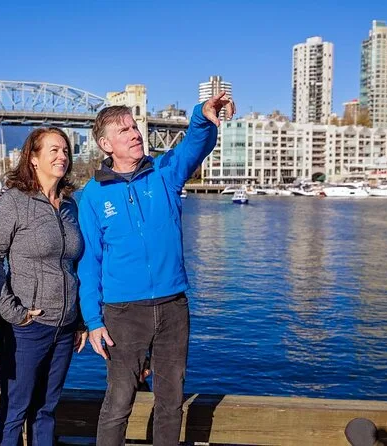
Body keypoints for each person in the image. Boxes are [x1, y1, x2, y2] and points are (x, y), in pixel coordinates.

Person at [78, 92, 235, 446]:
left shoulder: (164, 173)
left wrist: (201, 115)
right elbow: (89, 263)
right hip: (122, 313)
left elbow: (195, 146)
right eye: (124, 130)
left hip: (172, 306)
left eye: (134, 127)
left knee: (171, 401)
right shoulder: (93, 195)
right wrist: (93, 320)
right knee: (119, 402)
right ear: (106, 144)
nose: (135, 133)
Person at [0, 127, 88, 446]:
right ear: (33, 158)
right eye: (53, 150)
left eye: (65, 151)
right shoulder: (14, 202)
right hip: (26, 328)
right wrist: (14, 312)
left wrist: (80, 320)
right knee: (15, 409)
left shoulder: (69, 206)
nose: (62, 156)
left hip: (65, 327)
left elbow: (72, 266)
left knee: (46, 409)